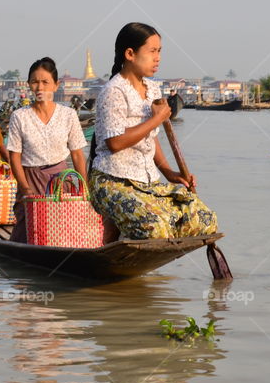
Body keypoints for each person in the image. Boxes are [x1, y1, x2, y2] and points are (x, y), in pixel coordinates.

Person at [88, 22, 217, 240]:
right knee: (155, 228)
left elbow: (151, 139)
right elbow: (115, 142)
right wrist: (157, 118)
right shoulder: (113, 91)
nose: (157, 58)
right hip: (112, 181)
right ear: (130, 53)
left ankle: (118, 246)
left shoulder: (153, 89)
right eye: (152, 51)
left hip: (147, 183)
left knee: (204, 219)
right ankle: (116, 250)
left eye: (159, 52)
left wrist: (169, 172)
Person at [6, 57, 89, 243]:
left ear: (56, 85)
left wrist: (84, 186)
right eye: (35, 82)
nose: (40, 87)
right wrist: (25, 188)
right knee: (27, 234)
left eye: (45, 82)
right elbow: (14, 157)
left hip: (61, 181)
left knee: (64, 233)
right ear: (29, 85)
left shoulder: (69, 115)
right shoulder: (19, 116)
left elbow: (77, 154)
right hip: (31, 180)